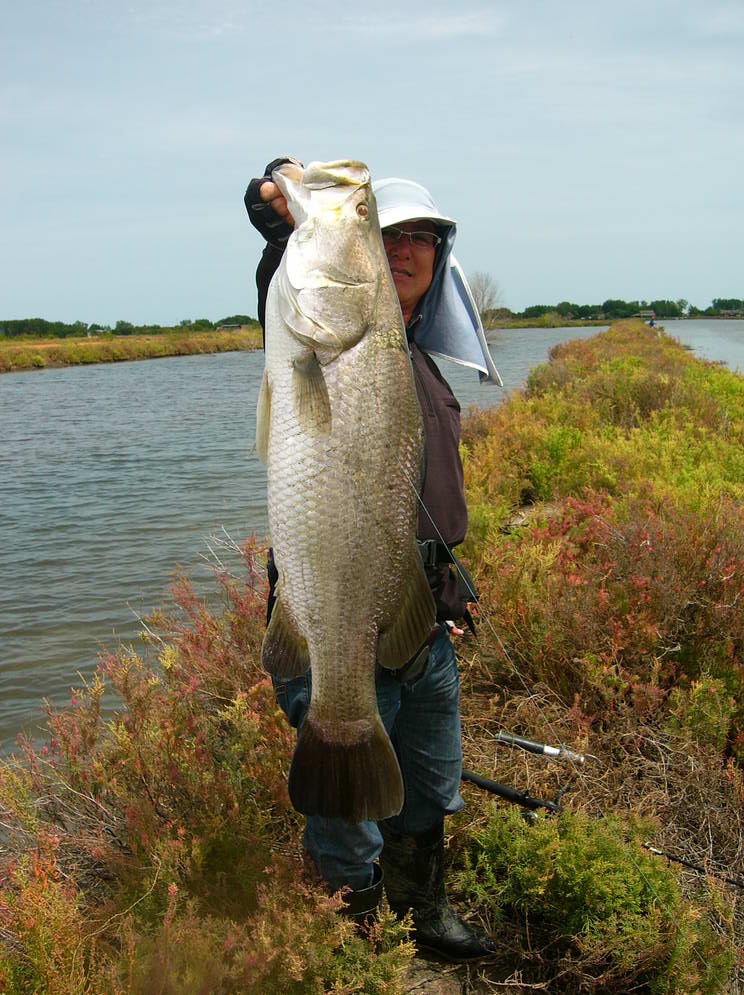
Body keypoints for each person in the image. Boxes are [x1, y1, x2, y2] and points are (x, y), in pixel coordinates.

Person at [244, 158, 499, 961]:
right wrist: (280, 225)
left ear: (441, 254)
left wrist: (444, 593)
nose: (406, 249)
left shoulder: (418, 357)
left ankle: (424, 910)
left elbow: (425, 501)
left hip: (420, 626)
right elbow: (288, 275)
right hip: (334, 618)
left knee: (430, 786)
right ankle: (352, 945)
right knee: (345, 817)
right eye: (386, 234)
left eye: (424, 237)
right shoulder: (313, 331)